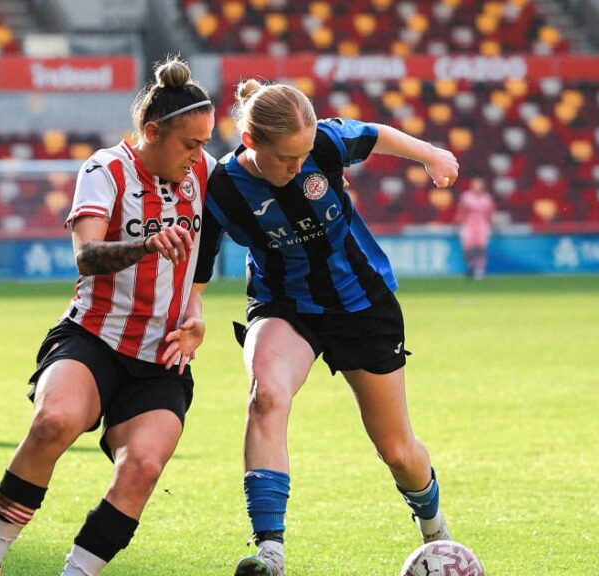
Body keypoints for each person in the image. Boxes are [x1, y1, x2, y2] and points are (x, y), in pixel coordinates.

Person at [0, 57, 215, 576]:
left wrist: (197, 311)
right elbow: (86, 256)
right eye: (190, 143)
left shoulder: (204, 172)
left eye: (205, 143)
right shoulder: (104, 169)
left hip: (160, 355)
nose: (199, 155)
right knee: (54, 422)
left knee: (144, 464)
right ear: (153, 131)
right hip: (92, 337)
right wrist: (143, 245)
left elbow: (208, 252)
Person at [192, 80, 460, 576]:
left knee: (398, 451)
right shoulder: (223, 188)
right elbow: (202, 259)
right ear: (251, 143)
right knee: (266, 395)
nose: (299, 168)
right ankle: (270, 553)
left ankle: (435, 531)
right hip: (284, 305)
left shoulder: (326, 143)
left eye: (304, 157)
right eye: (287, 160)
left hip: (362, 304)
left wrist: (431, 155)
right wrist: (193, 311)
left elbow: (376, 134)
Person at [455, 178, 495, 280]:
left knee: (481, 248)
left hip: (482, 224)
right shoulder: (466, 197)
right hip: (469, 223)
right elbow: (462, 211)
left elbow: (490, 213)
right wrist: (459, 222)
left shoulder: (487, 198)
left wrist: (491, 224)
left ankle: (480, 270)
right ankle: (469, 266)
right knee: (467, 248)